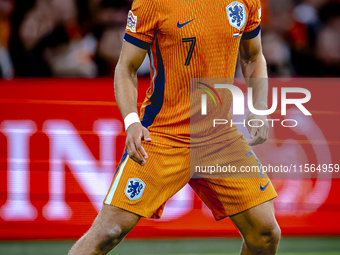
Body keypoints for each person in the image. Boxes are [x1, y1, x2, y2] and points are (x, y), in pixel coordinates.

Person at [68, 0, 281, 254]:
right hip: (163, 134)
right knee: (108, 232)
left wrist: (258, 108)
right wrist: (132, 121)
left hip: (218, 136)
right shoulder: (152, 2)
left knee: (266, 233)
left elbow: (253, 55)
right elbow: (126, 67)